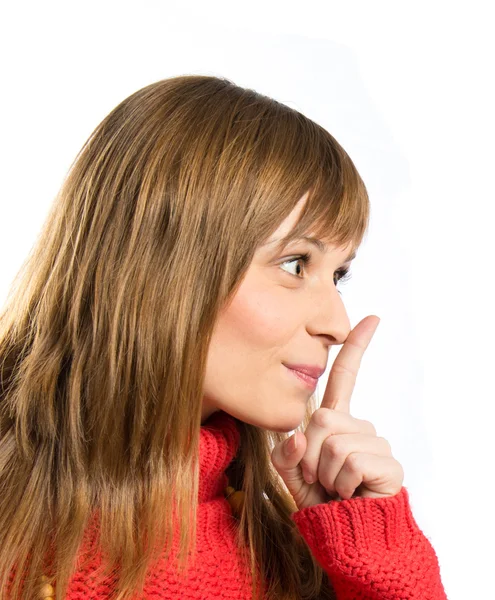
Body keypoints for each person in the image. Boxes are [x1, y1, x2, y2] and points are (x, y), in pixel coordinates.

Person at [0, 75, 447, 600]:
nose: (336, 324)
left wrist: (368, 551)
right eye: (296, 264)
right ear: (162, 266)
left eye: (339, 275)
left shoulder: (276, 542)